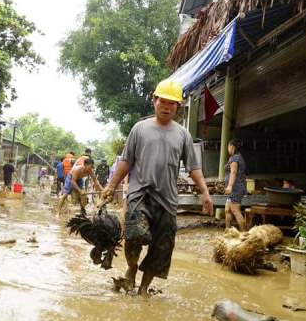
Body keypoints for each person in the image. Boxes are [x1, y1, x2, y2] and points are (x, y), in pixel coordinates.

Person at [101, 79, 213, 296]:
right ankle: (132, 269)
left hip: (167, 200)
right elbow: (126, 161)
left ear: (178, 107)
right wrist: (111, 186)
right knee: (134, 234)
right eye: (163, 101)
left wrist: (205, 193)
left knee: (162, 247)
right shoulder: (139, 129)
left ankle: (143, 289)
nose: (167, 106)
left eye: (172, 103)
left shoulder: (183, 135)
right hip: (140, 194)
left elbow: (193, 167)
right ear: (154, 100)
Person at [224, 138, 247, 230]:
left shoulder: (235, 158)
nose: (228, 149)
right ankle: (228, 231)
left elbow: (233, 172)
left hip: (235, 188)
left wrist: (229, 186)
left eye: (228, 147)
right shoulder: (236, 157)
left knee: (235, 211)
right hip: (234, 188)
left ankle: (245, 235)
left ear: (232, 147)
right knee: (227, 210)